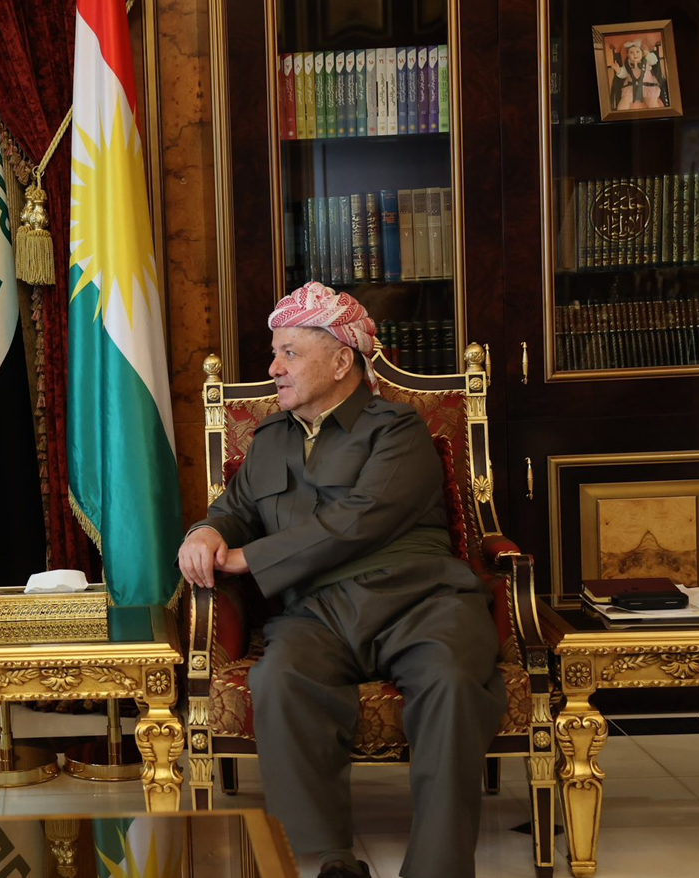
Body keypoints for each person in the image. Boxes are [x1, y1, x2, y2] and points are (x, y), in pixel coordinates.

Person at [177, 283, 504, 878]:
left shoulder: (398, 430)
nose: (274, 369)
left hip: (421, 600)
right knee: (279, 678)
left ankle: (437, 868)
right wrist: (206, 531)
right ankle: (328, 859)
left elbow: (360, 520)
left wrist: (251, 559)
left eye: (290, 353)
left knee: (452, 681)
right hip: (317, 612)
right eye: (274, 353)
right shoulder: (269, 440)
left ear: (340, 361)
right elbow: (235, 510)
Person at [609, 39, 668, 111]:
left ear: (642, 53)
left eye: (637, 51)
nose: (635, 54)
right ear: (628, 55)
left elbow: (654, 61)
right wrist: (618, 70)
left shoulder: (647, 61)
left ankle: (658, 114)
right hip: (631, 88)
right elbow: (623, 74)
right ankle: (621, 114)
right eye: (631, 52)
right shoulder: (627, 64)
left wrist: (648, 54)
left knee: (652, 103)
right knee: (623, 103)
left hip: (647, 87)